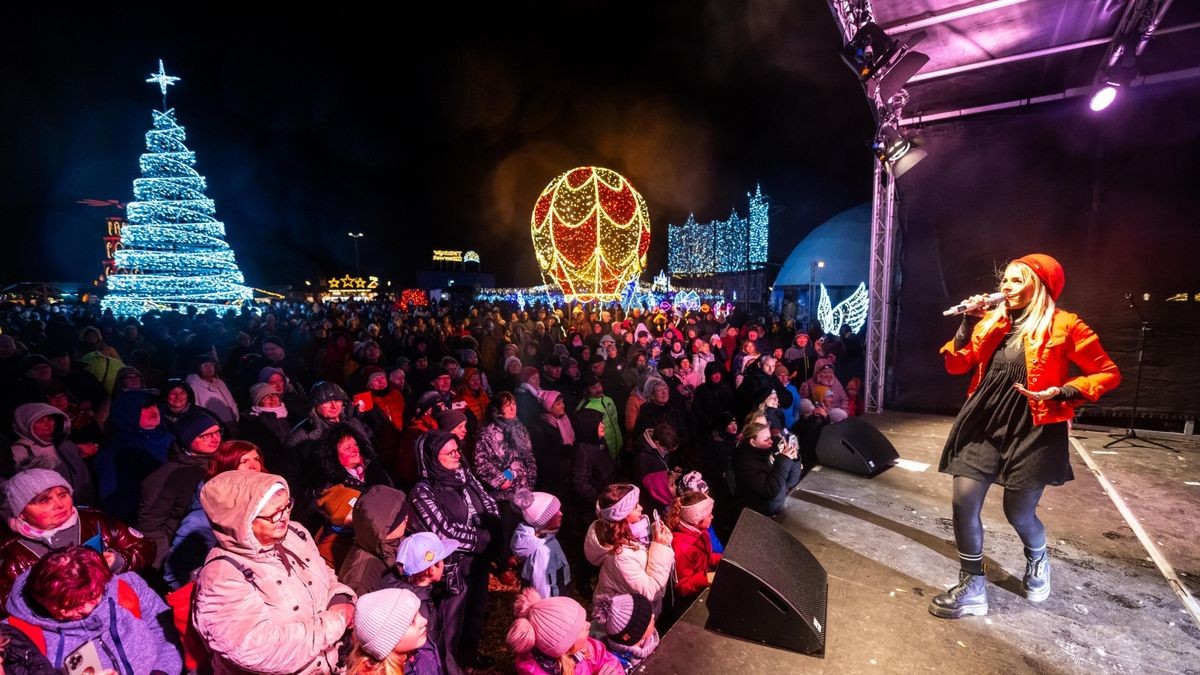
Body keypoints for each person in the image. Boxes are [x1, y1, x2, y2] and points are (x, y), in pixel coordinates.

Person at [930, 254, 1120, 619]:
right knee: (963, 501)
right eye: (1005, 281)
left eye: (1017, 280)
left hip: (1034, 427)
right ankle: (972, 586)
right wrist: (968, 322)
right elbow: (956, 364)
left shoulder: (1066, 325)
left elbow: (1107, 373)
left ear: (1041, 286)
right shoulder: (991, 322)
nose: (1005, 287)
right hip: (983, 421)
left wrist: (1064, 392)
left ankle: (1037, 558)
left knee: (1018, 513)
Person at [192, 470, 357, 674]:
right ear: (240, 520)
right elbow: (260, 651)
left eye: (287, 506)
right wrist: (336, 621)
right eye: (273, 514)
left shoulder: (295, 533)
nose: (284, 517)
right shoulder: (221, 577)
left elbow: (323, 573)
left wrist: (339, 598)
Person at [3, 546, 181, 674]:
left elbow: (167, 633)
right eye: (71, 605)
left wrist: (162, 671)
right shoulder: (15, 635)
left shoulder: (128, 588)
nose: (87, 609)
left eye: (94, 594)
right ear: (42, 600)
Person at [0, 469, 155, 609]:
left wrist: (119, 560)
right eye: (44, 500)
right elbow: (5, 602)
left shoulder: (96, 521)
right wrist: (47, 591)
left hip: (118, 607)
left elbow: (146, 546)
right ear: (21, 512)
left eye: (63, 495)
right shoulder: (12, 551)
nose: (59, 504)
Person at [408, 431, 498, 670]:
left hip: (478, 560)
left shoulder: (465, 476)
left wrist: (493, 523)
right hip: (451, 569)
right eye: (450, 452)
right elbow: (444, 532)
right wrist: (482, 537)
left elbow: (488, 503)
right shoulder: (423, 491)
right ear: (432, 457)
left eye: (457, 449)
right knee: (450, 624)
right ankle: (449, 667)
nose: (458, 455)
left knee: (475, 613)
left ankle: (468, 657)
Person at [138, 407, 223, 569]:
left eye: (218, 432)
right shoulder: (167, 476)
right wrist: (165, 565)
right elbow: (151, 527)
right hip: (183, 553)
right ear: (187, 439)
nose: (215, 439)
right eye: (205, 436)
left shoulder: (222, 463)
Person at [583, 484, 675, 614]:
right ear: (622, 515)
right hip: (626, 620)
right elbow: (651, 591)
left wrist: (654, 537)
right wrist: (659, 547)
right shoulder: (619, 557)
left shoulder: (634, 534)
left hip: (640, 613)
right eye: (635, 506)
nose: (641, 508)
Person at [506, 588, 621, 675]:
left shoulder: (586, 648)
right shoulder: (535, 671)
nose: (588, 624)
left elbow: (607, 660)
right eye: (580, 628)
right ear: (566, 647)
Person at [4, 402, 95, 506]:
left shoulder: (64, 444)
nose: (47, 424)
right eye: (39, 421)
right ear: (25, 423)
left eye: (49, 419)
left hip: (81, 507)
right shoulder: (18, 451)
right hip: (52, 512)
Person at [346, 588, 440, 675]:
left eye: (418, 613)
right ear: (386, 642)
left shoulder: (424, 650)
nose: (424, 621)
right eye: (411, 621)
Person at [338, 485, 410, 596]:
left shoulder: (394, 542)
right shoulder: (361, 578)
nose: (407, 519)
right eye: (401, 518)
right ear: (383, 530)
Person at [731, 421, 801, 517]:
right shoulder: (744, 462)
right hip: (757, 517)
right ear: (753, 442)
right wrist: (783, 461)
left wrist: (793, 458)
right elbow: (769, 490)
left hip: (777, 510)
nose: (771, 441)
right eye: (766, 439)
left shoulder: (769, 453)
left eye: (770, 438)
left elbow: (791, 482)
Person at [510, 490, 569, 600]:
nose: (561, 514)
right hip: (551, 605)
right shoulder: (542, 551)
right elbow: (543, 589)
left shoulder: (546, 537)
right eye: (556, 512)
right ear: (544, 520)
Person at [592, 593, 659, 672]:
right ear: (636, 634)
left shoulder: (649, 638)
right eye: (648, 619)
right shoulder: (620, 664)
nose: (653, 616)